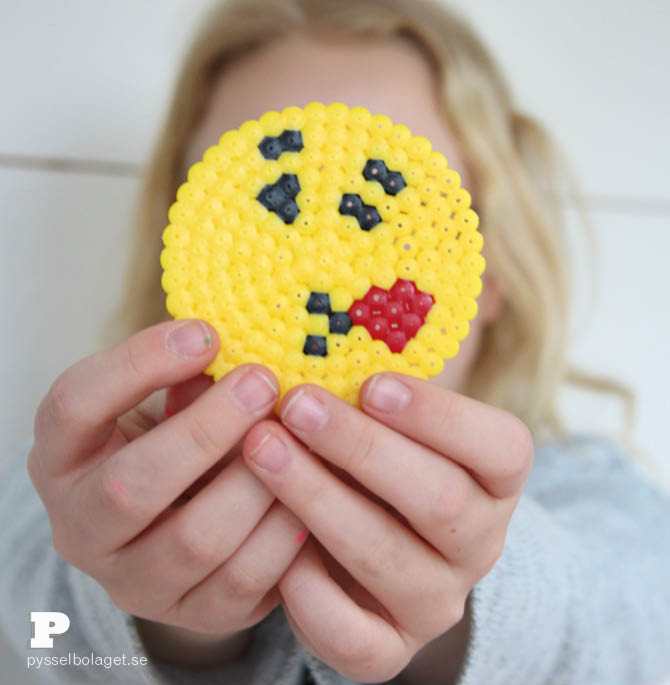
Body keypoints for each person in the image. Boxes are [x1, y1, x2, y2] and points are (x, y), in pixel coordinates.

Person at [1, 1, 669, 683]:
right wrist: (155, 614)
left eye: (390, 213)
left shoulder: (590, 489)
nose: (320, 256)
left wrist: (470, 607)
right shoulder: (92, 472)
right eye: (260, 219)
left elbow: (637, 616)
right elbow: (28, 592)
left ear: (487, 272)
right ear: (189, 252)